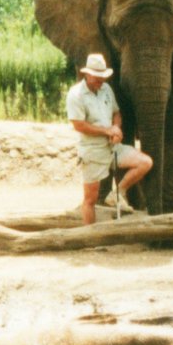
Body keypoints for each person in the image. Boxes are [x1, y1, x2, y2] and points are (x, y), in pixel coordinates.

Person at [67, 53, 152, 225]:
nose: (101, 81)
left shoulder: (106, 89)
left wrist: (116, 129)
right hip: (92, 151)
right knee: (90, 199)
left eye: (103, 77)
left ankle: (118, 193)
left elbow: (116, 113)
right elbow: (79, 125)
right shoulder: (75, 95)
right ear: (87, 74)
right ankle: (90, 236)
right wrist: (107, 131)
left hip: (112, 148)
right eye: (98, 78)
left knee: (145, 162)